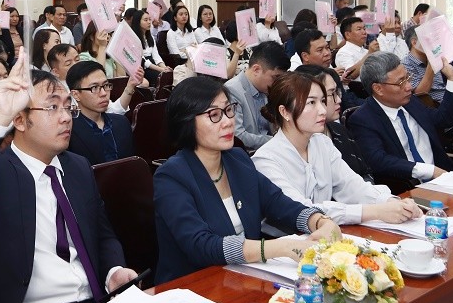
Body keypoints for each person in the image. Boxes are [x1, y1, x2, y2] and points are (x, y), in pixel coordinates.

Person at [0, 49, 137, 303]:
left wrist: (113, 271)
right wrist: (1, 114)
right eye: (52, 107)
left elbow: (101, 234)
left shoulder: (78, 167)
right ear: (20, 120)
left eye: (68, 107)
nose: (65, 117)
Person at [152, 76, 340, 283]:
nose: (228, 122)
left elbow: (278, 202)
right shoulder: (171, 177)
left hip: (243, 277)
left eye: (228, 110)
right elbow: (200, 245)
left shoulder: (237, 159)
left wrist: (319, 221)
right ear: (186, 122)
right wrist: (281, 247)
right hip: (192, 285)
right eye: (214, 115)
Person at [252, 73, 420, 226]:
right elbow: (301, 210)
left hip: (326, 235)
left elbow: (351, 186)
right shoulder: (266, 160)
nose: (322, 110)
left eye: (322, 101)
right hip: (286, 242)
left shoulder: (322, 143)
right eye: (311, 102)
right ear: (285, 112)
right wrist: (375, 211)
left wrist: (391, 202)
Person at [347, 52, 453, 182]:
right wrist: (428, 171)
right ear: (378, 88)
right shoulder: (363, 119)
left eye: (408, 77)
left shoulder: (410, 102)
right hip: (408, 186)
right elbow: (378, 160)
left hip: (443, 177)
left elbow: (444, 119)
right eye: (401, 82)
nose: (409, 87)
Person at [296, 65, 374, 181]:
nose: (338, 100)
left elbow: (364, 173)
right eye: (331, 94)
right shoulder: (298, 145)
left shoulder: (339, 130)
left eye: (337, 92)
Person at [65, 61, 134, 165]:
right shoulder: (68, 131)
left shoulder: (121, 122)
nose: (103, 93)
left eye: (105, 85)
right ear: (76, 95)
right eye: (94, 88)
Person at [224, 41, 290, 149]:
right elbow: (238, 136)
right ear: (256, 69)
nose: (277, 83)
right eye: (275, 77)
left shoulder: (266, 89)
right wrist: (277, 141)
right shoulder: (232, 90)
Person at [132, 10, 171, 85]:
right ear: (138, 22)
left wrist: (164, 67)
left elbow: (156, 56)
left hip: (153, 64)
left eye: (150, 19)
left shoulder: (151, 37)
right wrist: (160, 69)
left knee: (168, 74)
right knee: (159, 77)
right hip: (142, 67)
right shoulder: (134, 38)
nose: (149, 22)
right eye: (145, 20)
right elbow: (143, 61)